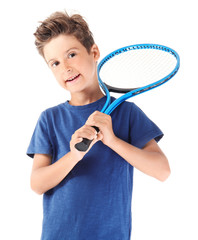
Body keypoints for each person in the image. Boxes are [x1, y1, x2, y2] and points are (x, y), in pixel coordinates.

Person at [27, 11, 170, 240]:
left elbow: (162, 170)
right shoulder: (49, 119)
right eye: (54, 63)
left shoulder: (127, 113)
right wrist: (74, 155)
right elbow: (37, 184)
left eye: (71, 54)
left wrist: (112, 140)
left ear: (93, 52)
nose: (65, 67)